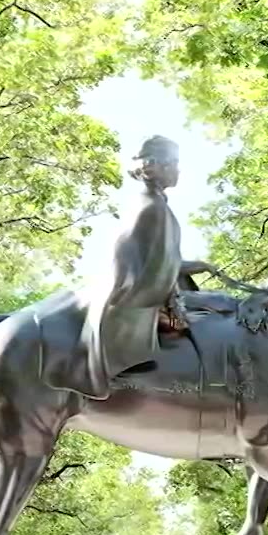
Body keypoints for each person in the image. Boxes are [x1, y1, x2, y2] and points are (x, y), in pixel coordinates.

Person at [59, 135, 188, 399]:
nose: (178, 169)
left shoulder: (157, 204)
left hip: (152, 285)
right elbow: (150, 262)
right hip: (134, 292)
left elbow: (164, 260)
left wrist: (198, 267)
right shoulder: (151, 207)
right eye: (174, 163)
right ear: (159, 166)